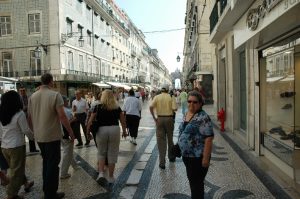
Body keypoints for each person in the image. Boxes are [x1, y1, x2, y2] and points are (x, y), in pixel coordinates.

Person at [28, 73, 75, 199]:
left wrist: (33, 133)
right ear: (51, 81)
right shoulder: (55, 95)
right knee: (53, 165)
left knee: (46, 163)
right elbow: (62, 116)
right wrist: (70, 132)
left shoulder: (32, 96)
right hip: (52, 136)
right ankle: (50, 193)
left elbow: (30, 117)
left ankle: (46, 189)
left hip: (40, 137)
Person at [178, 91, 214, 199]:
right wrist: (177, 146)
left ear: (200, 103)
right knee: (193, 182)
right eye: (189, 101)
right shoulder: (186, 114)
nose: (191, 104)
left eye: (195, 102)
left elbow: (209, 138)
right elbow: (182, 133)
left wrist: (206, 159)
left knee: (197, 184)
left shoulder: (203, 117)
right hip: (187, 157)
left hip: (198, 157)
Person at [87, 89, 127, 184]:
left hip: (101, 130)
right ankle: (111, 177)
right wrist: (124, 131)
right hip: (114, 129)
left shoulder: (97, 107)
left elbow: (90, 121)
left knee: (101, 152)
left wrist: (88, 132)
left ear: (102, 96)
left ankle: (101, 173)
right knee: (112, 153)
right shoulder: (117, 107)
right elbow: (122, 121)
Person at [0, 90, 35, 199]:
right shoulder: (19, 114)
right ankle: (11, 195)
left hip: (5, 147)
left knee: (15, 168)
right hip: (17, 147)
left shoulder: (2, 113)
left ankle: (25, 183)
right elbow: (26, 130)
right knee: (16, 172)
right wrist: (33, 137)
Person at [149, 84, 177, 169]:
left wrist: (154, 118)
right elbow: (174, 109)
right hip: (169, 119)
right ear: (168, 90)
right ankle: (171, 157)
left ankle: (162, 163)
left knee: (161, 141)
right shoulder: (171, 97)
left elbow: (151, 107)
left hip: (160, 119)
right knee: (170, 139)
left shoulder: (157, 97)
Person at [60, 96, 80, 179]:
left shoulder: (59, 110)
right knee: (67, 153)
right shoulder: (66, 111)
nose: (68, 102)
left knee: (69, 151)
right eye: (67, 100)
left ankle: (75, 165)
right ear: (63, 101)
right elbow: (67, 122)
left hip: (60, 133)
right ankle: (63, 173)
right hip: (67, 134)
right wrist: (74, 119)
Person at [19, 86, 39, 153]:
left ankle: (32, 149)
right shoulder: (18, 99)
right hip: (22, 118)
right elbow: (21, 108)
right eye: (21, 91)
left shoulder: (29, 97)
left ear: (26, 91)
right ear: (19, 91)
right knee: (23, 133)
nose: (22, 92)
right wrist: (26, 107)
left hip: (29, 117)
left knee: (31, 132)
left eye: (23, 91)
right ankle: (22, 150)